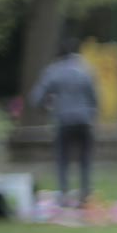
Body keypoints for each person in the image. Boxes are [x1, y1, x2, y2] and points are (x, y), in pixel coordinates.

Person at [29, 37, 98, 205]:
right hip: (84, 121)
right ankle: (85, 194)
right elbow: (94, 98)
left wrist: (47, 107)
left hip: (64, 121)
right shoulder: (85, 69)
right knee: (85, 160)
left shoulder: (53, 71)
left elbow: (35, 98)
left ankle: (64, 195)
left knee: (62, 160)